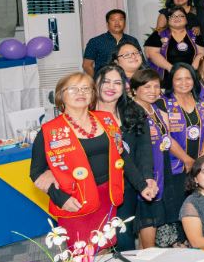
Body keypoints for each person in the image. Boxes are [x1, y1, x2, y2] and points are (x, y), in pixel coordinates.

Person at [30, 73, 128, 244]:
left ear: (92, 94)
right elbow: (36, 173)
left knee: (105, 244)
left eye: (85, 89)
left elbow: (120, 153)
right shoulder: (49, 130)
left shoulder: (106, 119)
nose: (80, 93)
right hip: (75, 199)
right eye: (73, 89)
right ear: (61, 95)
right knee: (81, 251)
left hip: (108, 194)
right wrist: (61, 199)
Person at [91, 65, 158, 250]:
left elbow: (144, 149)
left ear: (124, 88)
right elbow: (118, 154)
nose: (111, 87)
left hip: (127, 187)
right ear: (96, 83)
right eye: (105, 81)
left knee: (123, 236)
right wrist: (141, 183)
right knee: (95, 239)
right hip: (97, 187)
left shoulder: (134, 111)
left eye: (117, 82)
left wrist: (147, 178)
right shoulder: (86, 116)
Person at [132, 68, 184, 248]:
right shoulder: (134, 112)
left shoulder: (154, 108)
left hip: (161, 169)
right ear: (134, 90)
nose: (153, 91)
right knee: (148, 220)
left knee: (156, 219)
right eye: (147, 86)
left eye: (156, 86)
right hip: (145, 174)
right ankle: (148, 260)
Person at [162, 63, 204, 167]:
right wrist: (187, 160)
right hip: (175, 164)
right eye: (179, 79)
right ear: (171, 81)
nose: (184, 82)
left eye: (188, 78)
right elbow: (166, 136)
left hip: (199, 161)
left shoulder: (201, 101)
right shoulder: (163, 103)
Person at [144, 7, 204, 83]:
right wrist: (171, 69)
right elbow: (151, 54)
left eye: (181, 16)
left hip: (191, 76)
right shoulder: (158, 34)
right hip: (165, 78)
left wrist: (192, 69)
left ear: (186, 19)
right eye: (172, 16)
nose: (177, 18)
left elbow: (202, 53)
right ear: (168, 20)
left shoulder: (195, 33)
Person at [83, 9, 140, 77]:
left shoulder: (132, 40)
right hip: (104, 81)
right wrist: (97, 81)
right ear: (107, 23)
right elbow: (87, 65)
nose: (117, 23)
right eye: (113, 20)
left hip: (128, 81)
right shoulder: (95, 41)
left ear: (125, 22)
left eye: (120, 20)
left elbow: (140, 62)